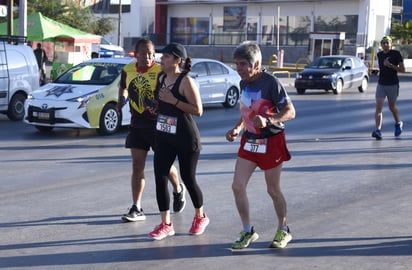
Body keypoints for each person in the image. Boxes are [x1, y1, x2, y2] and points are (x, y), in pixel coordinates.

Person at [225, 41, 295, 250]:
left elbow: (290, 111)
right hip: (250, 141)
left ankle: (283, 229)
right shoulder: (243, 83)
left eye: (243, 64)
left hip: (272, 141)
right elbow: (247, 109)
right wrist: (238, 128)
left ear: (255, 64)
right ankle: (247, 230)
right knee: (237, 186)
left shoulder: (271, 83)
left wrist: (269, 120)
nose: (239, 69)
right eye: (236, 64)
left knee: (272, 189)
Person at [117, 38, 186, 222]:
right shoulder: (127, 70)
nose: (148, 57)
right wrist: (120, 100)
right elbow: (123, 86)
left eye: (151, 53)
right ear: (135, 54)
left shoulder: (160, 71)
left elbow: (169, 92)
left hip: (158, 125)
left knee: (164, 164)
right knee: (137, 165)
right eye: (143, 53)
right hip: (137, 124)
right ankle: (136, 207)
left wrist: (158, 105)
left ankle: (178, 188)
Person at [148, 43, 209, 240]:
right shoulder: (161, 77)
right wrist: (156, 107)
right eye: (162, 56)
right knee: (160, 176)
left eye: (166, 57)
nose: (161, 59)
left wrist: (173, 101)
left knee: (188, 178)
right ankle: (166, 223)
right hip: (164, 135)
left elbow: (198, 110)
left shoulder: (185, 81)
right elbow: (161, 101)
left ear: (177, 60)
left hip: (185, 137)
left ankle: (200, 216)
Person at [372, 36, 405, 140]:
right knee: (378, 108)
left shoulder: (396, 54)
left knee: (391, 107)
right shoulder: (379, 55)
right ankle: (378, 130)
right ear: (381, 45)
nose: (385, 44)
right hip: (381, 84)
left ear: (391, 44)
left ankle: (398, 123)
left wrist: (390, 65)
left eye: (387, 43)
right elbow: (382, 68)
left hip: (392, 84)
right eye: (383, 43)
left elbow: (403, 69)